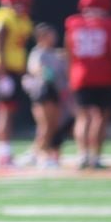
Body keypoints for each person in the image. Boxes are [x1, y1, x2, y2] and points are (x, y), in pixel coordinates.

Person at [64, 0, 111, 169]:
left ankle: (82, 155)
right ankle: (95, 156)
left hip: (80, 76)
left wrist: (68, 76)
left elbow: (68, 53)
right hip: (104, 76)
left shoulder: (72, 23)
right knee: (101, 117)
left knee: (83, 117)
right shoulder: (110, 25)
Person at [0, 0, 34, 167]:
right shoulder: (2, 18)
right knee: (4, 111)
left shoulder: (21, 19)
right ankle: (3, 154)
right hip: (2, 71)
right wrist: (3, 75)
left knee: (10, 111)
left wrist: (25, 74)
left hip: (15, 71)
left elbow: (20, 48)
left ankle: (6, 152)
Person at [22, 23, 72, 168]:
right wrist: (46, 73)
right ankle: (41, 155)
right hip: (44, 91)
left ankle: (38, 153)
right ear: (41, 37)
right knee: (45, 126)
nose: (54, 37)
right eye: (50, 35)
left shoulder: (56, 53)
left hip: (55, 92)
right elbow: (36, 70)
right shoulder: (38, 53)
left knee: (54, 126)